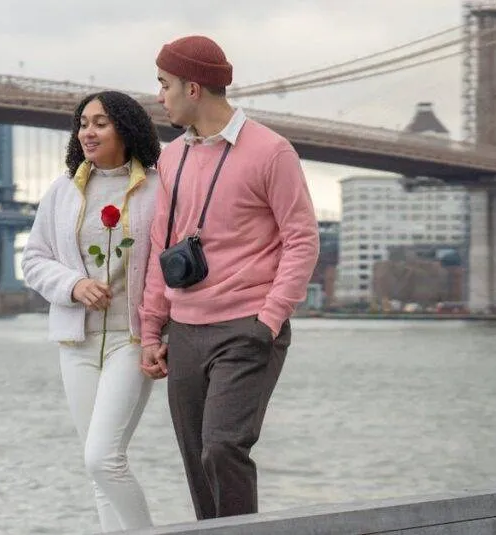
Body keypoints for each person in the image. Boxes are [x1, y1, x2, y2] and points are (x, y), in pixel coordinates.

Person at [138, 35, 320, 520]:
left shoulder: (271, 152)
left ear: (192, 88)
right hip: (186, 330)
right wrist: (153, 328)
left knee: (222, 448)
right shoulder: (171, 157)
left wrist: (270, 317)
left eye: (164, 84)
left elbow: (301, 240)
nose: (160, 96)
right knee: (198, 463)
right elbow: (162, 245)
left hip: (247, 326)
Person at [21, 90, 163, 532]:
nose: (88, 131)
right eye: (83, 123)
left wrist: (163, 333)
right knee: (96, 470)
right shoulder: (63, 190)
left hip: (131, 339)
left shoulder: (160, 188)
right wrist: (74, 284)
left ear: (126, 128)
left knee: (103, 458)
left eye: (100, 122)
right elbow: (34, 259)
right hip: (76, 343)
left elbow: (168, 262)